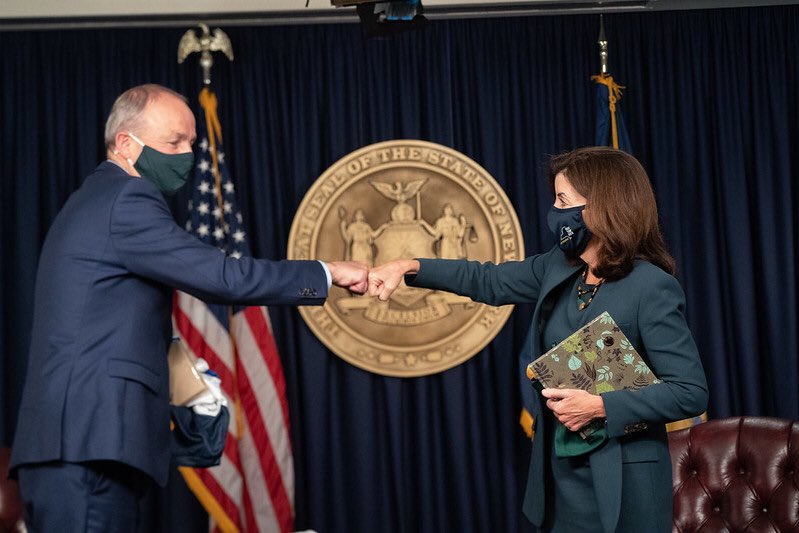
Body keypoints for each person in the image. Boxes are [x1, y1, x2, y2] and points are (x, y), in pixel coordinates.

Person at [9, 84, 368, 532]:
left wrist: (193, 392)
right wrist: (328, 273)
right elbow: (224, 278)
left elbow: (119, 329)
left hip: (81, 448)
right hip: (86, 448)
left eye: (191, 142)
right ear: (126, 143)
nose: (187, 154)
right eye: (173, 142)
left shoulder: (96, 202)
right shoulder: (127, 199)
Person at [368, 146, 708, 532]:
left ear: (603, 207)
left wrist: (600, 406)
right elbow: (487, 280)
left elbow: (690, 392)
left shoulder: (652, 286)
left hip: (623, 478)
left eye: (564, 201)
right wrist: (409, 265)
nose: (555, 211)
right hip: (561, 470)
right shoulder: (558, 265)